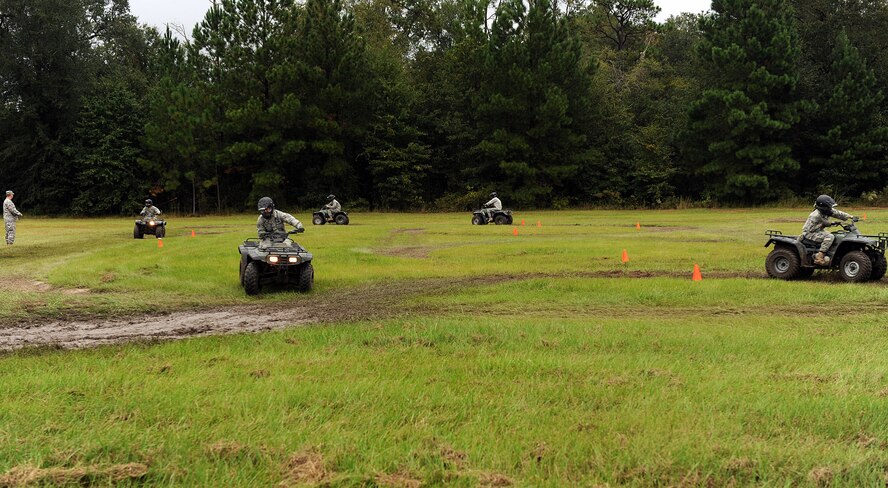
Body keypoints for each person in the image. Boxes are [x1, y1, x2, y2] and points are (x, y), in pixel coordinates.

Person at [801, 194, 855, 265]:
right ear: (823, 207)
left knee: (836, 235)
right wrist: (833, 223)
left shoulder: (825, 211)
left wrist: (851, 216)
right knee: (829, 236)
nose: (830, 208)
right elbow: (826, 223)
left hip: (818, 230)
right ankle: (819, 256)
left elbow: (838, 213)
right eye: (828, 207)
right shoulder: (816, 215)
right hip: (810, 233)